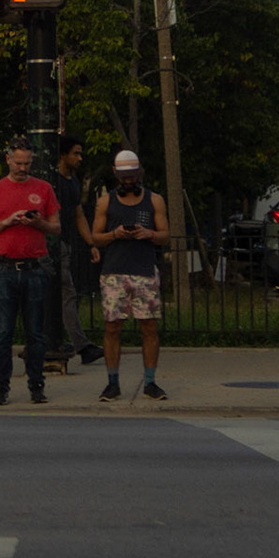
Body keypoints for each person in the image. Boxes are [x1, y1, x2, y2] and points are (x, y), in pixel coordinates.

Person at [0, 136, 60, 405]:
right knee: (3, 332)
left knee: (36, 331)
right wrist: (7, 222)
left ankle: (36, 384)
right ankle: (0, 386)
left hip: (34, 266)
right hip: (4, 267)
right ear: (8, 160)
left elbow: (56, 227)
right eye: (18, 163)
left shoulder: (44, 188)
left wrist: (38, 224)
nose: (23, 168)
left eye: (27, 163)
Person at [93, 149, 169, 401]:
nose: (129, 181)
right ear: (116, 174)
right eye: (124, 177)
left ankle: (150, 382)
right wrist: (115, 234)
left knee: (149, 327)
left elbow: (166, 235)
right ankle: (112, 382)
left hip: (144, 271)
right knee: (112, 327)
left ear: (139, 173)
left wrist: (149, 234)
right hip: (114, 272)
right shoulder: (106, 202)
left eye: (133, 176)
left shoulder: (154, 200)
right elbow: (96, 237)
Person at [51, 134, 106, 366]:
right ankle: (80, 344)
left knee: (65, 293)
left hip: (63, 243)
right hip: (49, 244)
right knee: (66, 293)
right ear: (63, 154)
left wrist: (90, 243)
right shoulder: (51, 180)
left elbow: (78, 214)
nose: (80, 158)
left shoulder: (73, 182)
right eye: (76, 153)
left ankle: (71, 342)